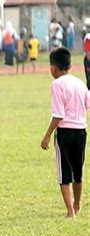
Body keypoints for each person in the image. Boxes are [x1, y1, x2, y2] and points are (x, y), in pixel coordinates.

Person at [40, 48, 90, 218]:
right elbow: (87, 105)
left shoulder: (56, 85)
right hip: (81, 131)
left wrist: (47, 135)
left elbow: (58, 115)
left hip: (65, 132)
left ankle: (70, 211)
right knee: (78, 171)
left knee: (64, 173)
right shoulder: (80, 83)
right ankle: (77, 204)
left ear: (54, 68)